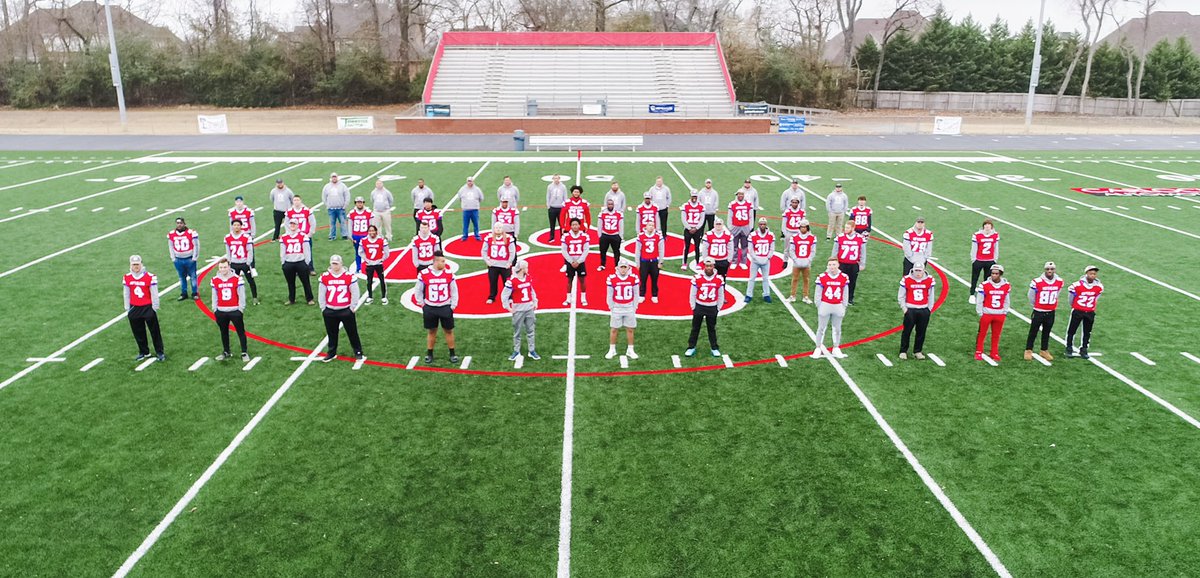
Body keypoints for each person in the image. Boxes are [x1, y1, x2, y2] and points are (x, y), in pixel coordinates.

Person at [318, 255, 364, 362]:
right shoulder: (325, 277)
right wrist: (323, 308)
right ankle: (331, 352)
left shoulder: (349, 277)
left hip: (345, 310)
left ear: (341, 263)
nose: (335, 266)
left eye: (336, 263)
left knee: (352, 332)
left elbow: (355, 293)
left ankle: (358, 351)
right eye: (333, 263)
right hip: (330, 310)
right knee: (331, 333)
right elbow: (321, 294)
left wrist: (352, 307)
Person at [416, 251, 459, 364]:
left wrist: (453, 305)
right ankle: (429, 353)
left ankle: (452, 353)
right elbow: (418, 290)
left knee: (449, 331)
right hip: (430, 307)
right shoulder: (424, 273)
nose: (444, 263)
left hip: (445, 306)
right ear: (436, 262)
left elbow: (454, 291)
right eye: (442, 261)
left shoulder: (449, 274)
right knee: (431, 331)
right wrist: (422, 304)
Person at [123, 255, 164, 362]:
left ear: (141, 264)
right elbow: (126, 294)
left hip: (147, 307)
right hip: (134, 308)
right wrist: (128, 308)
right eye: (133, 264)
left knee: (154, 331)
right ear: (130, 265)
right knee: (138, 332)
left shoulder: (150, 277)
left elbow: (154, 293)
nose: (136, 267)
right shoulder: (127, 277)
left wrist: (154, 307)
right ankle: (144, 352)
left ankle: (160, 352)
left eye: (137, 264)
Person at [210, 258, 249, 362]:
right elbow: (214, 296)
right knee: (224, 332)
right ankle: (226, 351)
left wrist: (240, 309)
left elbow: (241, 295)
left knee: (240, 332)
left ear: (229, 267)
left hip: (234, 310)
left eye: (225, 267)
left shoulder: (237, 278)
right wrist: (215, 309)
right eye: (221, 267)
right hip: (221, 311)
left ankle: (244, 352)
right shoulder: (215, 279)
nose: (223, 269)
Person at [685, 258, 725, 357]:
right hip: (699, 306)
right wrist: (693, 306)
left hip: (712, 307)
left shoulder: (719, 279)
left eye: (710, 266)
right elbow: (692, 294)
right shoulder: (697, 277)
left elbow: (721, 295)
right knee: (695, 328)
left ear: (713, 266)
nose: (708, 268)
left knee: (712, 329)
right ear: (704, 266)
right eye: (707, 266)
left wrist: (718, 308)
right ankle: (691, 347)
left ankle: (714, 347)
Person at [1025, 261, 1064, 362]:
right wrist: (1036, 305)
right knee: (1033, 331)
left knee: (1047, 332)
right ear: (1044, 270)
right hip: (1039, 311)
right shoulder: (1037, 281)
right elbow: (1031, 296)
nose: (1050, 271)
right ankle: (1028, 350)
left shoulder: (1059, 281)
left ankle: (1044, 350)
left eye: (1051, 269)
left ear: (1054, 270)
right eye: (1047, 269)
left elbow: (1057, 293)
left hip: (1051, 311)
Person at [502, 259, 539, 361]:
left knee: (530, 330)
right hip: (518, 309)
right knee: (517, 332)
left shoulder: (528, 278)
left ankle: (532, 350)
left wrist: (535, 301)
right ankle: (516, 351)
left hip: (529, 308)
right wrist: (508, 307)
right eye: (526, 267)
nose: (528, 269)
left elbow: (532, 291)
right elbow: (504, 295)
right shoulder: (512, 281)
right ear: (522, 269)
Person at [812, 257, 849, 359]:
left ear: (838, 265)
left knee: (837, 328)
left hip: (838, 304)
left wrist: (844, 306)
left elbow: (845, 293)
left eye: (834, 264)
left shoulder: (844, 277)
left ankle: (836, 347)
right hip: (825, 304)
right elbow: (818, 293)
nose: (832, 267)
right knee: (821, 328)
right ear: (827, 266)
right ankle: (818, 347)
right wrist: (819, 305)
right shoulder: (822, 277)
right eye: (830, 265)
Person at [897, 263, 935, 360]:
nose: (918, 273)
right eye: (916, 270)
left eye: (920, 270)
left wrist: (928, 309)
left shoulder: (929, 279)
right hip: (911, 309)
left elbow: (931, 296)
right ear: (913, 270)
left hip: (923, 309)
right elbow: (901, 296)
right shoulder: (906, 279)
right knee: (907, 331)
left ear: (923, 270)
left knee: (921, 331)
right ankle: (903, 351)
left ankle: (917, 351)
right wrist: (905, 309)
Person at [1065, 265, 1104, 359]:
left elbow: (1096, 298)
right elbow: (1071, 298)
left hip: (1090, 311)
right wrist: (1075, 306)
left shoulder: (1099, 286)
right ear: (1086, 273)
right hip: (1078, 310)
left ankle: (1084, 348)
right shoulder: (1077, 285)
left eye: (1094, 274)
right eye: (1091, 273)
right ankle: (1069, 347)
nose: (1093, 275)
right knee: (1072, 330)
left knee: (1087, 332)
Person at [975, 263, 1010, 362]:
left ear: (1000, 274)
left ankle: (994, 352)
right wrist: (980, 313)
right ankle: (978, 351)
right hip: (987, 313)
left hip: (999, 314)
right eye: (992, 273)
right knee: (982, 333)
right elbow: (980, 300)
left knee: (996, 334)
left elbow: (1007, 300)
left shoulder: (1006, 285)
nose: (994, 275)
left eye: (996, 273)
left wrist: (1005, 311)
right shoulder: (984, 285)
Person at [606, 259, 640, 359]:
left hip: (629, 307)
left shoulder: (633, 278)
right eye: (622, 267)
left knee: (630, 329)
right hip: (617, 307)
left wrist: (634, 307)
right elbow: (609, 294)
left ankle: (630, 349)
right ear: (617, 268)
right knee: (614, 329)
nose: (623, 270)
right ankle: (612, 349)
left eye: (625, 267)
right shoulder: (612, 278)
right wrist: (611, 307)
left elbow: (636, 293)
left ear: (628, 268)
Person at [224, 219, 259, 305]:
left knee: (250, 280)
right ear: (232, 226)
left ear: (241, 226)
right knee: (233, 282)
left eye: (238, 225)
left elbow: (250, 250)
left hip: (244, 263)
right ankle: (235, 298)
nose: (236, 227)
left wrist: (248, 262)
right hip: (234, 263)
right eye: (234, 225)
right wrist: (229, 262)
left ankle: (255, 297)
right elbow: (228, 251)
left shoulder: (246, 237)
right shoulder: (228, 237)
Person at [279, 220, 315, 305]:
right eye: (291, 224)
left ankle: (309, 299)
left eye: (294, 224)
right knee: (290, 283)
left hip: (300, 262)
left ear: (297, 225)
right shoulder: (284, 237)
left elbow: (307, 250)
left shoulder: (303, 236)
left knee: (306, 282)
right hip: (289, 262)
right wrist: (283, 262)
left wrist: (306, 262)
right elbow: (282, 251)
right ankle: (291, 299)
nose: (292, 225)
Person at [832, 222, 867, 305]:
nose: (846, 229)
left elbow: (863, 252)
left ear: (853, 228)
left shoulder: (860, 238)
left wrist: (862, 264)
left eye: (848, 228)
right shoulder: (840, 237)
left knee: (852, 282)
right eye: (845, 227)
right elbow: (835, 250)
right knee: (840, 281)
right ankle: (839, 297)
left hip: (854, 264)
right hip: (842, 263)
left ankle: (850, 299)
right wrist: (833, 262)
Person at [482, 224, 516, 303]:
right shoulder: (489, 238)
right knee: (493, 282)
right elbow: (483, 250)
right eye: (496, 228)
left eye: (500, 227)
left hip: (505, 265)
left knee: (507, 282)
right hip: (493, 265)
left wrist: (509, 262)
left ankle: (509, 297)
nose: (498, 229)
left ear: (503, 229)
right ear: (493, 229)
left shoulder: (508, 238)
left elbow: (512, 251)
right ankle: (492, 297)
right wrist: (487, 261)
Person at [168, 217, 200, 301]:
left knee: (193, 276)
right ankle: (184, 293)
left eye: (181, 223)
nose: (179, 225)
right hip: (178, 259)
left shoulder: (191, 233)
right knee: (181, 277)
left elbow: (196, 245)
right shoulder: (171, 234)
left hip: (189, 258)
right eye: (177, 223)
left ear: (184, 224)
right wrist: (173, 257)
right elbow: (170, 246)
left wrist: (194, 257)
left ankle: (194, 293)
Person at [968, 220, 999, 304]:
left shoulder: (995, 235)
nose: (987, 226)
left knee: (988, 279)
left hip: (990, 260)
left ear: (991, 227)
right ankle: (972, 294)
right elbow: (974, 248)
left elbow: (996, 247)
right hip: (979, 260)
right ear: (983, 226)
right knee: (975, 277)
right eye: (986, 225)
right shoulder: (977, 235)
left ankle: (985, 295)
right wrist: (974, 259)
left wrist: (995, 259)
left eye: (989, 225)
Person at [786, 220, 817, 303]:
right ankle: (792, 295)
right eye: (801, 227)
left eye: (804, 227)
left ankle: (805, 296)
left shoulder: (812, 237)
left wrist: (808, 259)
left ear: (807, 228)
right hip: (797, 262)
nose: (803, 229)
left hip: (807, 262)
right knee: (795, 279)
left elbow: (813, 251)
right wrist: (796, 259)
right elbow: (791, 250)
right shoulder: (794, 237)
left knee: (806, 279)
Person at [561, 218, 590, 307]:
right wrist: (571, 261)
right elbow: (564, 250)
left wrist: (579, 261)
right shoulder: (565, 236)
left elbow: (586, 250)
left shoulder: (584, 236)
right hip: (570, 262)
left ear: (579, 225)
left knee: (582, 280)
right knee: (569, 280)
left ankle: (583, 297)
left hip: (580, 262)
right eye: (573, 225)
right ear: (570, 226)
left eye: (576, 224)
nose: (575, 226)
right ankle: (568, 298)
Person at [285, 195, 317, 275]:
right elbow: (286, 223)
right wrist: (290, 234)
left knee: (308, 252)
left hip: (305, 235)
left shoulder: (306, 210)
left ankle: (310, 269)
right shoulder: (289, 211)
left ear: (301, 200)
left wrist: (310, 233)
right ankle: (297, 270)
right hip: (295, 236)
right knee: (296, 253)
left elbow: (312, 222)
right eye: (295, 200)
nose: (296, 202)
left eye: (298, 200)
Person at [745, 217, 775, 303]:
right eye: (761, 224)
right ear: (758, 225)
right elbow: (750, 249)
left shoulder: (771, 235)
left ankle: (766, 294)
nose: (762, 225)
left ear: (766, 225)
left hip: (766, 260)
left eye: (764, 224)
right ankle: (749, 295)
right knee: (752, 278)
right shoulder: (753, 235)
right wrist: (755, 257)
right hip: (755, 260)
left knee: (765, 278)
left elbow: (772, 248)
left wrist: (767, 257)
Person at [359, 225, 389, 305]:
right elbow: (360, 251)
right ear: (368, 232)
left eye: (373, 230)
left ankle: (384, 297)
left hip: (378, 264)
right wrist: (366, 259)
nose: (371, 232)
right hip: (369, 264)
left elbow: (387, 252)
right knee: (369, 281)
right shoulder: (364, 240)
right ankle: (370, 297)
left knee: (382, 280)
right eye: (370, 231)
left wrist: (381, 259)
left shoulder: (381, 240)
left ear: (376, 231)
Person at [636, 221, 664, 303]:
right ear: (646, 226)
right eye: (649, 225)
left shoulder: (658, 236)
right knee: (643, 279)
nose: (651, 227)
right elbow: (638, 251)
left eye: (652, 225)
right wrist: (637, 263)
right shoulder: (641, 236)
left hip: (654, 261)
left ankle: (654, 295)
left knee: (654, 279)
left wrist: (660, 262)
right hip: (644, 261)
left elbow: (661, 249)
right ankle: (642, 295)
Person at [229, 194, 258, 274]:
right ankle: (241, 268)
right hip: (237, 234)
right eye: (237, 202)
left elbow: (252, 223)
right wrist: (232, 233)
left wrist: (253, 234)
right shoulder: (232, 212)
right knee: (240, 250)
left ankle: (252, 267)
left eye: (240, 201)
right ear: (235, 203)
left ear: (242, 202)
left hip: (247, 232)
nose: (239, 203)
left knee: (250, 250)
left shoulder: (248, 211)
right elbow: (231, 224)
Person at [727, 189, 753, 270]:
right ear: (737, 195)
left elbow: (751, 216)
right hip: (735, 226)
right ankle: (734, 261)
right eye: (739, 194)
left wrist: (750, 227)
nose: (740, 196)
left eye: (742, 194)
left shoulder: (749, 204)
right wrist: (730, 227)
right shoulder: (732, 204)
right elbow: (730, 217)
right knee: (734, 245)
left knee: (744, 246)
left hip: (745, 226)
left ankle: (743, 261)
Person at [347, 196, 374, 275]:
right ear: (355, 203)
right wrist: (350, 236)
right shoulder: (352, 213)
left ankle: (369, 267)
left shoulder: (368, 212)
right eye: (358, 202)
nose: (359, 204)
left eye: (361, 202)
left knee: (367, 252)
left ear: (363, 203)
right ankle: (359, 268)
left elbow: (371, 224)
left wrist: (371, 235)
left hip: (365, 235)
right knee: (358, 252)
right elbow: (350, 225)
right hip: (356, 235)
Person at [596, 198, 624, 271]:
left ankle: (617, 265)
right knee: (603, 251)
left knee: (616, 251)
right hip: (605, 234)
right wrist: (600, 235)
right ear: (606, 205)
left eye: (611, 204)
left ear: (614, 205)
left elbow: (621, 225)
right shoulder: (602, 213)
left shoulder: (618, 214)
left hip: (615, 234)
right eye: (609, 204)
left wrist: (620, 236)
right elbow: (599, 225)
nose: (610, 205)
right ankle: (602, 265)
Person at [680, 191, 705, 270]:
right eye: (693, 196)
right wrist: (689, 227)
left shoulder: (701, 206)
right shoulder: (685, 206)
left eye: (695, 196)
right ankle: (684, 263)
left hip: (697, 230)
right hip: (688, 229)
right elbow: (683, 219)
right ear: (690, 196)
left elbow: (702, 219)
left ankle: (697, 263)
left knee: (697, 246)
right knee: (686, 246)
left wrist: (696, 228)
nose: (694, 198)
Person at [322, 173, 350, 241]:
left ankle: (344, 235)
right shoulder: (327, 186)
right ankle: (332, 235)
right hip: (331, 208)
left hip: (340, 208)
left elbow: (347, 195)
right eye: (333, 177)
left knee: (343, 222)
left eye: (335, 177)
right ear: (331, 178)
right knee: (332, 223)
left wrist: (345, 205)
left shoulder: (342, 186)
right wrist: (327, 205)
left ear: (337, 177)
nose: (334, 178)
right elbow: (324, 196)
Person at [457, 176, 483, 241]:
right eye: (468, 181)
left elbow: (481, 198)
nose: (469, 182)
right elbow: (459, 197)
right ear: (466, 182)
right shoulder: (462, 189)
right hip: (466, 210)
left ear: (473, 182)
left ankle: (477, 236)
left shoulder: (477, 189)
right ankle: (465, 236)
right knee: (465, 224)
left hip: (475, 210)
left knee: (476, 224)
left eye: (471, 181)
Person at [546, 174, 567, 242]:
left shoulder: (563, 187)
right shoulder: (550, 186)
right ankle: (552, 237)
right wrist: (548, 206)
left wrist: (565, 206)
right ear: (553, 179)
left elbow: (565, 197)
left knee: (561, 223)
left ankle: (562, 236)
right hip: (552, 207)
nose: (556, 180)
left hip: (560, 208)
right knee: (552, 223)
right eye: (555, 178)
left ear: (559, 178)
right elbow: (548, 196)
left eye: (557, 178)